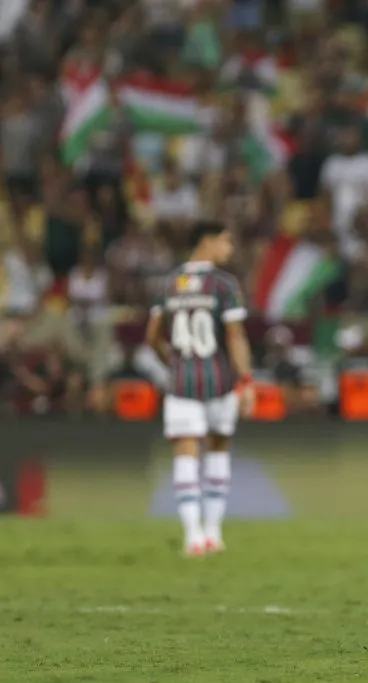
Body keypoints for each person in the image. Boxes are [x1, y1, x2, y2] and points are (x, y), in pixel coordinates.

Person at [145, 221, 254, 557]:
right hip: (219, 381)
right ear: (206, 242)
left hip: (180, 383)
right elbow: (235, 336)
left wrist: (173, 363)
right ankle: (213, 532)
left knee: (186, 454)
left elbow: (152, 337)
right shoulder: (224, 285)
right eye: (226, 241)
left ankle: (193, 537)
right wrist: (246, 380)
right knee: (218, 450)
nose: (230, 248)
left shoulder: (169, 283)